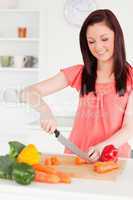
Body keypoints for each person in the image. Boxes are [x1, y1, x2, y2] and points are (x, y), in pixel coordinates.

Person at [20, 9, 133, 161]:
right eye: (91, 41)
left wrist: (101, 148)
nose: (98, 47)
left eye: (104, 39)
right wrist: (45, 111)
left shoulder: (130, 77)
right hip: (77, 156)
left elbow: (129, 128)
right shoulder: (80, 73)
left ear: (117, 37)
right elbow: (28, 92)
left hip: (114, 157)